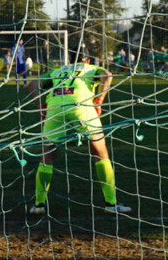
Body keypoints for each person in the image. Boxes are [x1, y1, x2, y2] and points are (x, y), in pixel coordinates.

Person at [28, 53, 131, 216]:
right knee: (100, 152)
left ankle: (38, 205)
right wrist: (99, 101)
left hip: (55, 106)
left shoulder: (58, 70)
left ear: (69, 60)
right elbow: (107, 75)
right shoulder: (91, 68)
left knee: (47, 156)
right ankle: (111, 203)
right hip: (80, 106)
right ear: (88, 60)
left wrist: (41, 107)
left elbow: (32, 84)